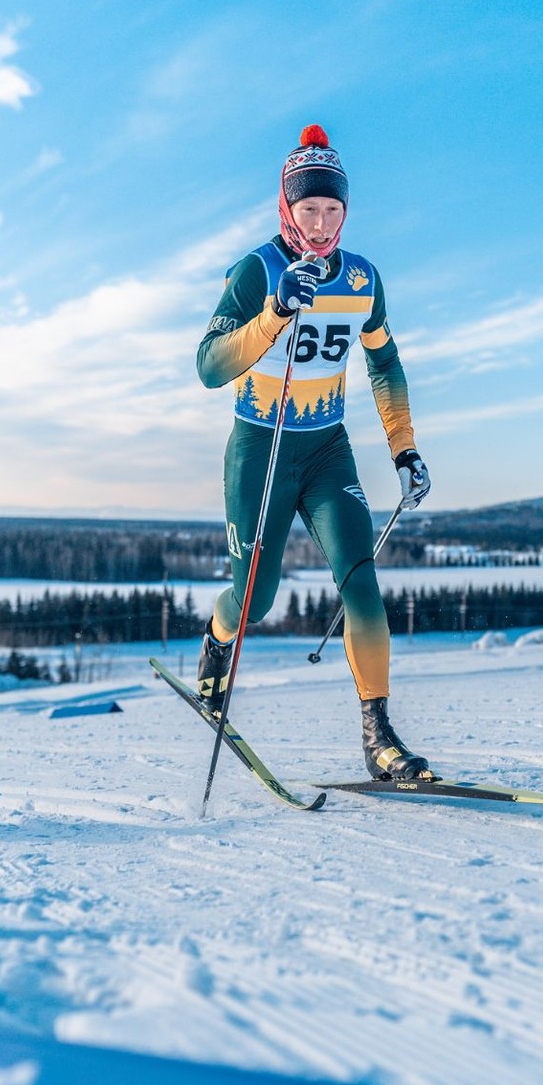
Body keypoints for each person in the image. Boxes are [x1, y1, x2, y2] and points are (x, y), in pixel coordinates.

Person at [195, 124, 433, 780]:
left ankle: (379, 735)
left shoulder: (362, 278)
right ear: (287, 207)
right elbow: (209, 365)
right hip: (260, 448)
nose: (323, 224)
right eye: (310, 209)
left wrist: (404, 449)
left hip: (327, 449)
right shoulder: (257, 270)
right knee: (254, 598)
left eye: (334, 210)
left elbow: (385, 363)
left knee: (362, 582)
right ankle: (215, 644)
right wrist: (273, 313)